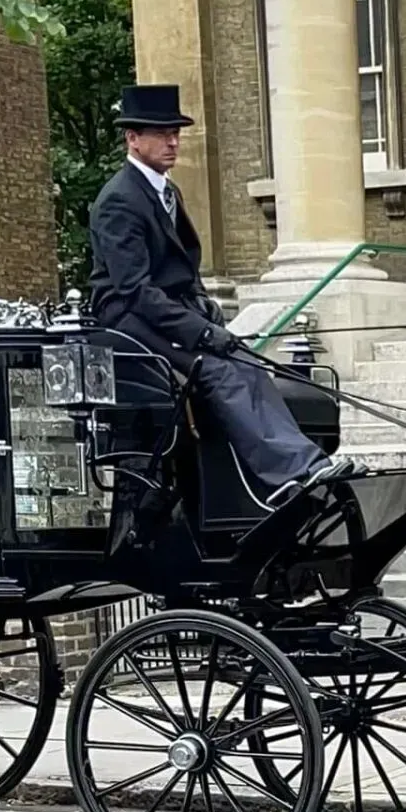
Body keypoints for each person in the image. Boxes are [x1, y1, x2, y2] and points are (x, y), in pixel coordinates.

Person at [87, 84, 352, 506]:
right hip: (131, 323)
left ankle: (302, 465)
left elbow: (180, 274)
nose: (172, 141)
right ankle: (289, 473)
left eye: (175, 132)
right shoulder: (119, 200)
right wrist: (202, 333)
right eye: (160, 133)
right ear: (132, 138)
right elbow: (136, 291)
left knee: (247, 363)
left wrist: (206, 311)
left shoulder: (165, 191)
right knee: (219, 373)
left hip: (170, 312)